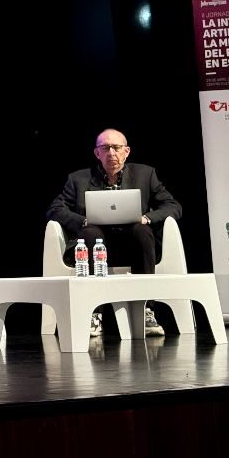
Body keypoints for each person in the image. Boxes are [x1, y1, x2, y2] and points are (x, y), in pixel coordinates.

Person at [47, 128, 182, 338]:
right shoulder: (78, 179)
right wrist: (83, 221)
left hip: (133, 245)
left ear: (126, 151)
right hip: (95, 246)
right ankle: (94, 313)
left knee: (142, 231)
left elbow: (173, 206)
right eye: (105, 148)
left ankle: (146, 310)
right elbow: (55, 209)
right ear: (97, 153)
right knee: (90, 233)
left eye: (116, 147)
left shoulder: (146, 174)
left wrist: (147, 218)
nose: (111, 153)